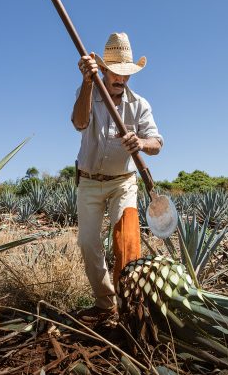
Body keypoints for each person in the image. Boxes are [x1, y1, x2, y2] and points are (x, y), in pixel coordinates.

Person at [72, 33, 163, 323]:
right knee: (88, 244)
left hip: (123, 181)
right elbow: (79, 123)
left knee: (127, 242)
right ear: (105, 70)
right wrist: (88, 83)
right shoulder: (88, 91)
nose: (120, 79)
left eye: (126, 74)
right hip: (88, 181)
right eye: (115, 73)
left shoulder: (139, 104)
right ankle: (104, 303)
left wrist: (141, 144)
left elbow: (157, 143)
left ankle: (129, 306)